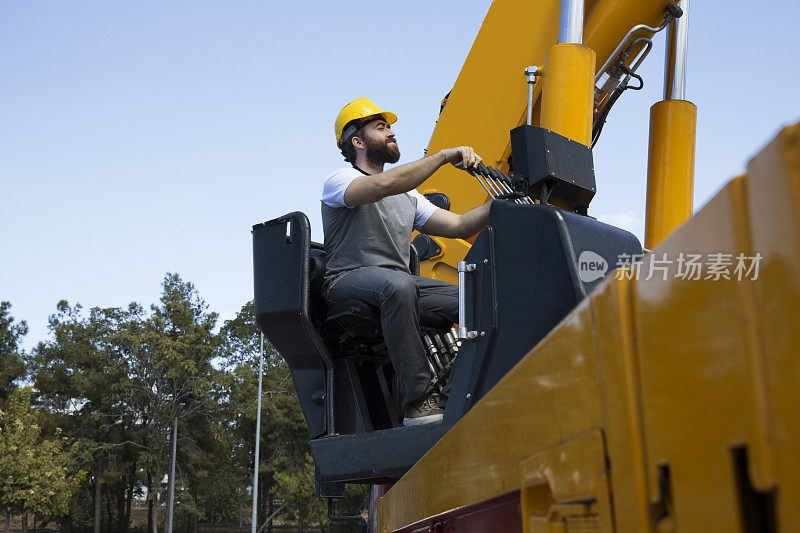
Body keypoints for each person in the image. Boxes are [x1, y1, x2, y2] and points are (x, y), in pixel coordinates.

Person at [321, 97, 491, 425]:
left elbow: (459, 225)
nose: (391, 133)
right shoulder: (339, 180)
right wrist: (443, 156)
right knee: (397, 284)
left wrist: (503, 203)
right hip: (348, 281)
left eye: (391, 128)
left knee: (482, 299)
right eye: (381, 128)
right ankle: (418, 403)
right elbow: (384, 184)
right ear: (357, 141)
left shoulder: (410, 196)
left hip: (400, 286)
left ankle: (452, 397)